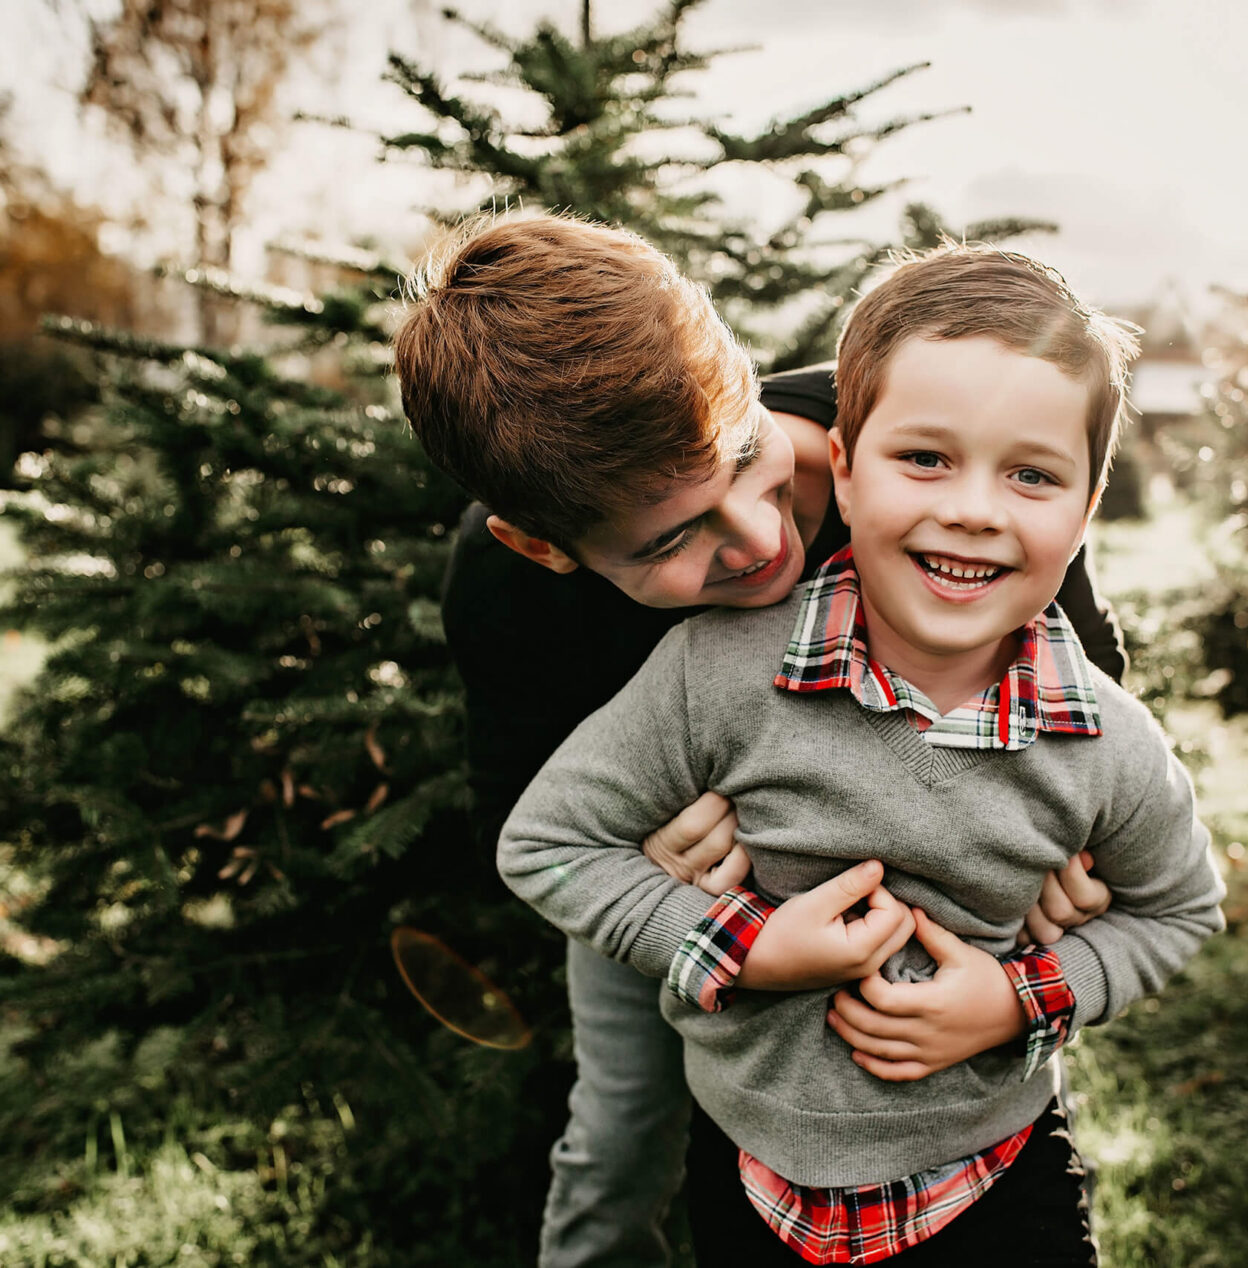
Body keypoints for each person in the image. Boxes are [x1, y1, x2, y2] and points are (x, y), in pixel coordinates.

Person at [396, 214, 1126, 1266]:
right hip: (673, 904)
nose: (755, 535)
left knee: (970, 1133)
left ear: (739, 368)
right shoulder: (506, 585)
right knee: (620, 1139)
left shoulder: (906, 432)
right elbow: (516, 820)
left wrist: (1076, 846)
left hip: (932, 877)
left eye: (744, 457)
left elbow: (1084, 673)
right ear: (540, 545)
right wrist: (661, 883)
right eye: (669, 539)